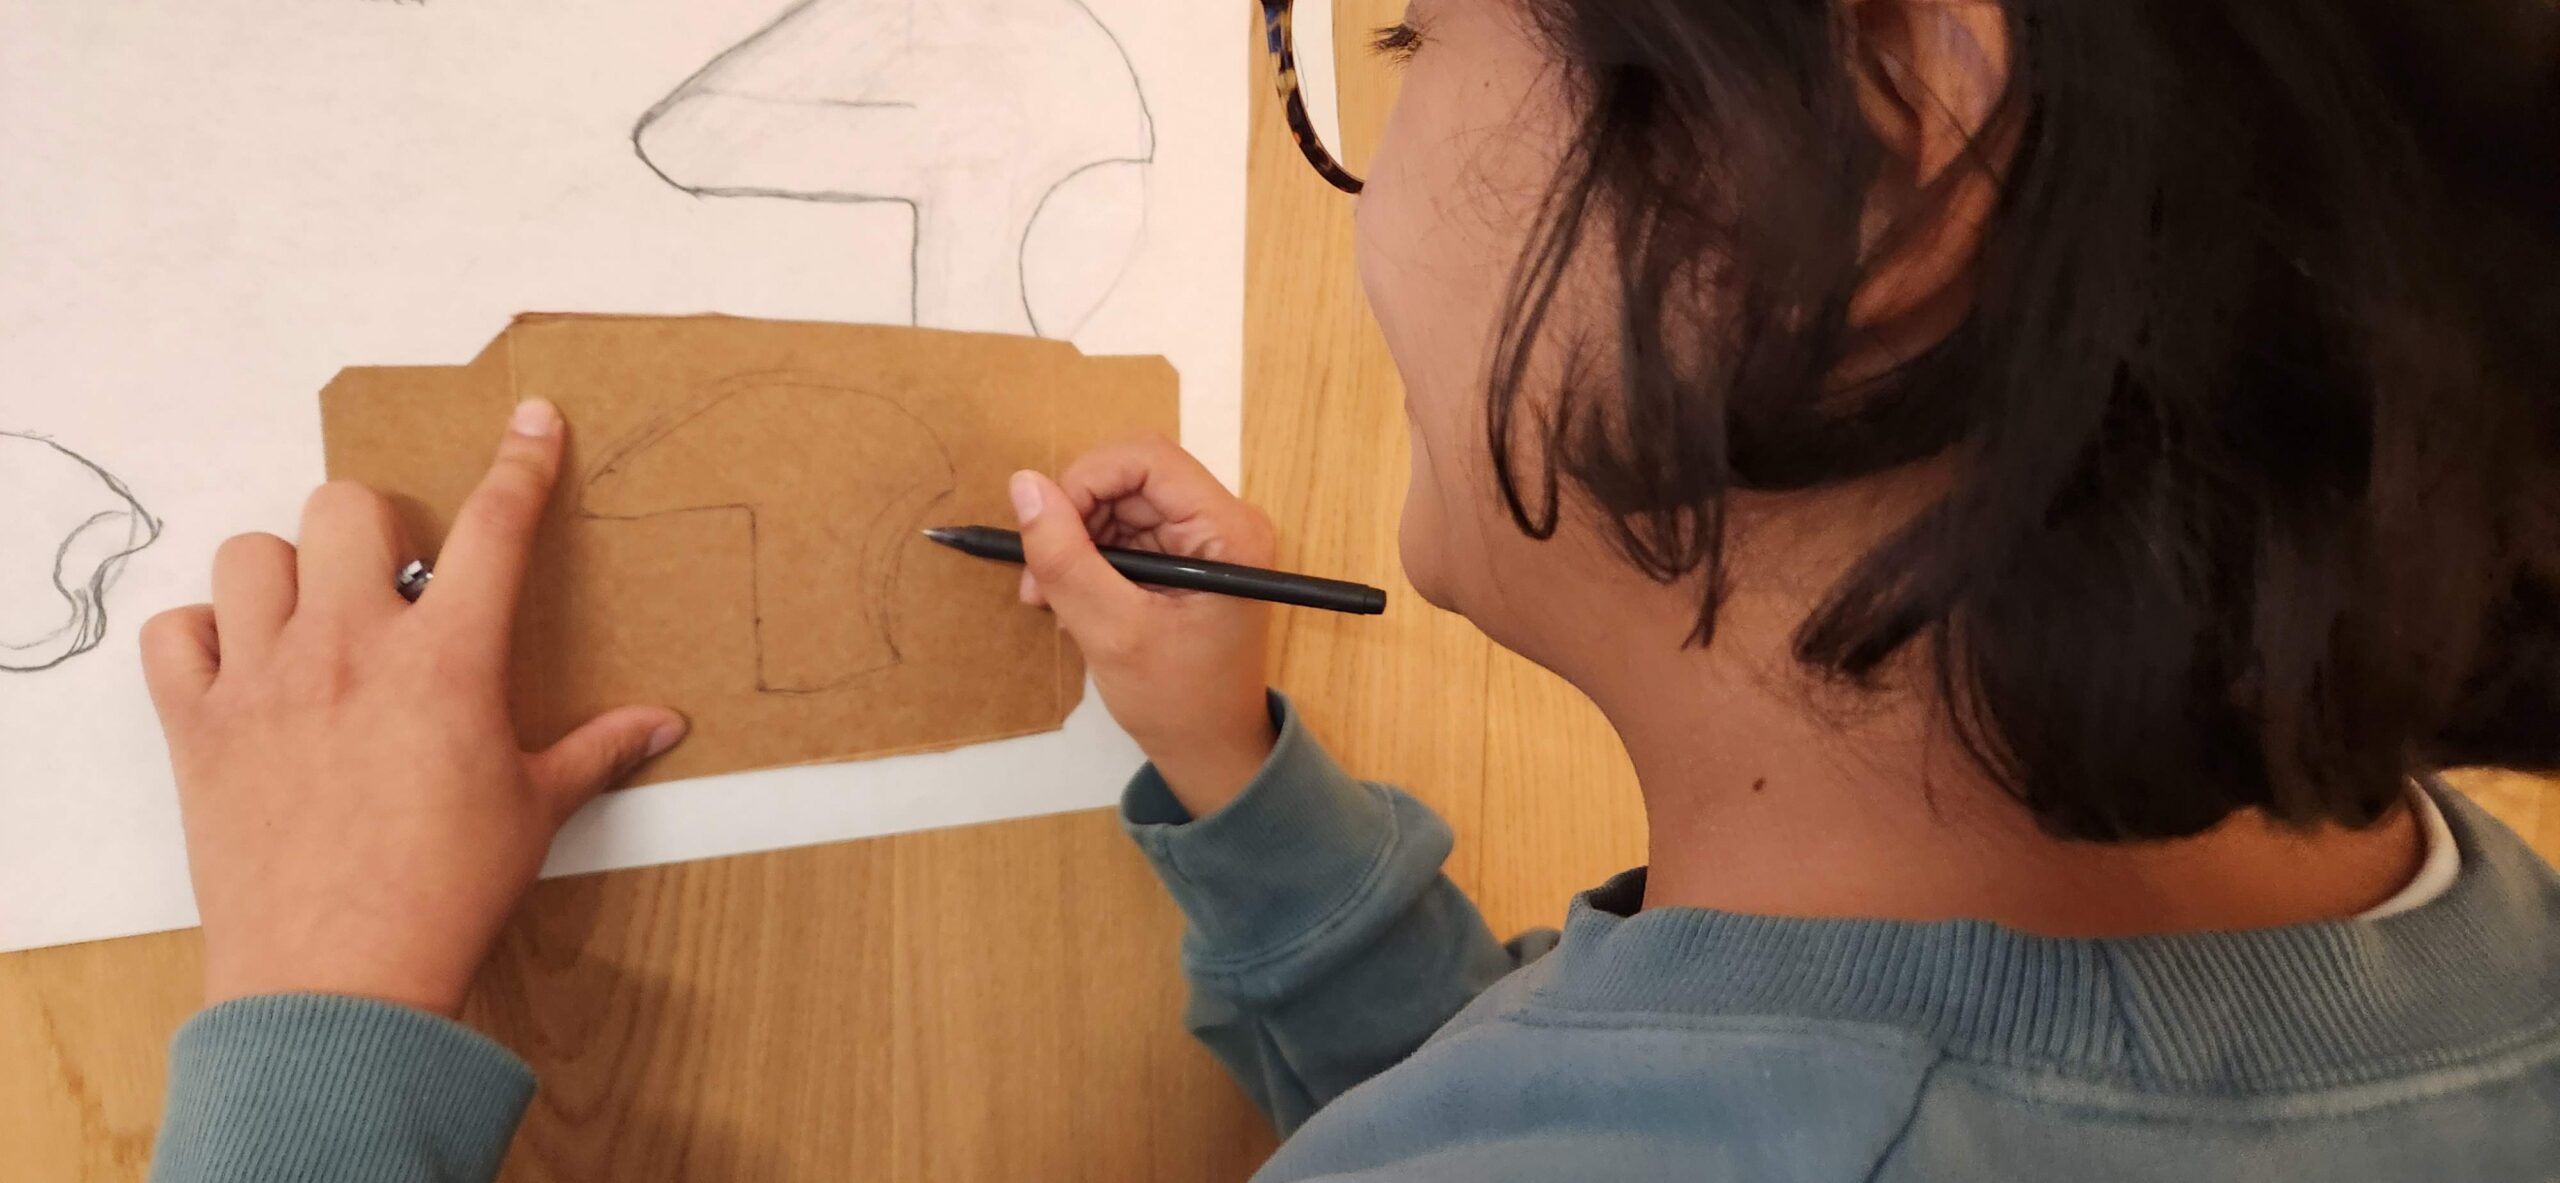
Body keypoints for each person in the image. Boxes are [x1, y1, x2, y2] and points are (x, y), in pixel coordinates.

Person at [143, 0, 2559, 1179]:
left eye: (1406, 36)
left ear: (1883, 131)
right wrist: (1235, 770)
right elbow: (1630, 1098)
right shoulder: (2482, 954)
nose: (1366, 158)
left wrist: (320, 1023)